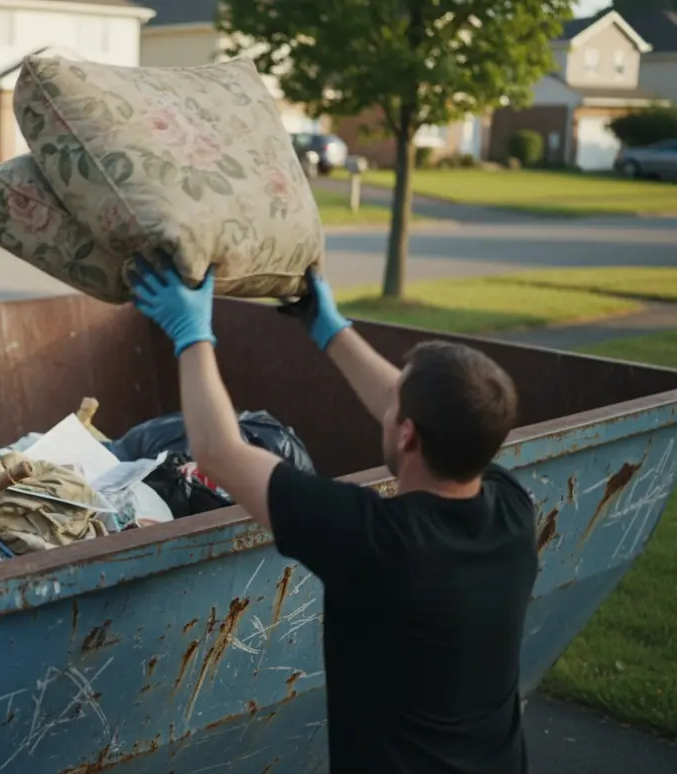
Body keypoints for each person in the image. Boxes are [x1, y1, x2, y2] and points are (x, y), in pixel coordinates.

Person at [130, 259, 539, 774]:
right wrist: (330, 329)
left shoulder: (373, 541)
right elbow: (422, 409)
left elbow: (218, 452)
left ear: (407, 434)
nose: (388, 403)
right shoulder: (511, 509)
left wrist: (192, 335)